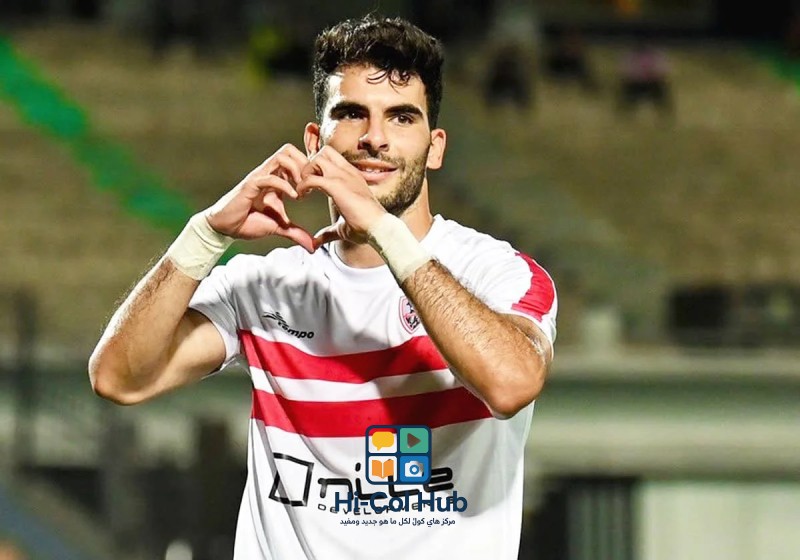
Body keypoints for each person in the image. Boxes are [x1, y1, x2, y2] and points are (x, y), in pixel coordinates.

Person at [89, 14, 557, 560]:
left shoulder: (499, 272)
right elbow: (118, 377)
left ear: (435, 148)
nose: (375, 137)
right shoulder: (265, 286)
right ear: (315, 141)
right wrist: (205, 234)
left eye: (401, 117)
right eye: (352, 113)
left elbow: (510, 384)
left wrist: (381, 230)